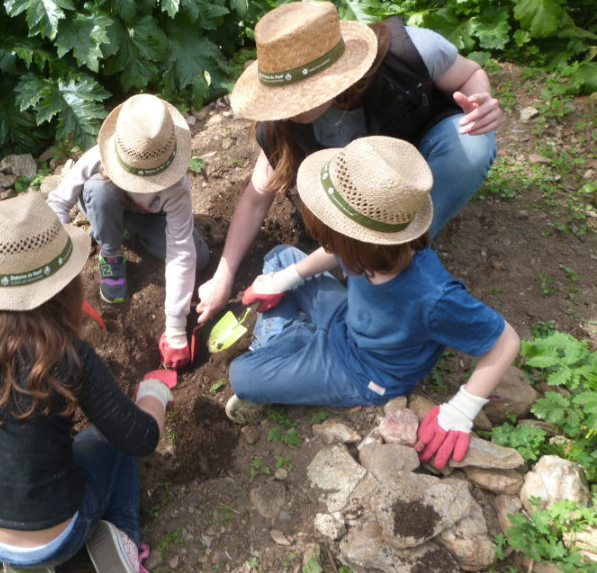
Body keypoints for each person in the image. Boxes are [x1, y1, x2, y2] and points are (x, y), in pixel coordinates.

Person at [222, 137, 519, 470]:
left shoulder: (432, 297)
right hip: (348, 318)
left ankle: (291, 341)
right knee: (281, 258)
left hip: (363, 371)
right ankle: (296, 341)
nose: (325, 240)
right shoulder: (373, 245)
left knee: (243, 376)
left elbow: (505, 341)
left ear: (350, 241)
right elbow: (335, 250)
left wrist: (462, 409)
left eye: (330, 234)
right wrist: (283, 280)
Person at [197, 0, 501, 325]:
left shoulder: (407, 54)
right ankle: (373, 251)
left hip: (418, 157)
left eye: (302, 95)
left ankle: (403, 247)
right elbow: (257, 199)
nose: (291, 109)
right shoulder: (280, 125)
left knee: (471, 143)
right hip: (362, 199)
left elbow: (470, 73)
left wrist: (480, 103)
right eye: (281, 99)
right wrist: (223, 276)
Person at [0, 193, 172, 573]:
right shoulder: (67, 355)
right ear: (63, 287)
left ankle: (28, 569)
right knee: (113, 442)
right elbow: (141, 439)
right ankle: (123, 541)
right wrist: (152, 397)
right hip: (56, 531)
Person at [48, 93, 209, 370]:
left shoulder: (177, 187)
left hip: (149, 219)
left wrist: (175, 328)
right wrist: (58, 261)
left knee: (201, 259)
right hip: (107, 205)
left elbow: (182, 251)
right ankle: (111, 252)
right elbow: (59, 201)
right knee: (98, 190)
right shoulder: (99, 158)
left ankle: (126, 233)